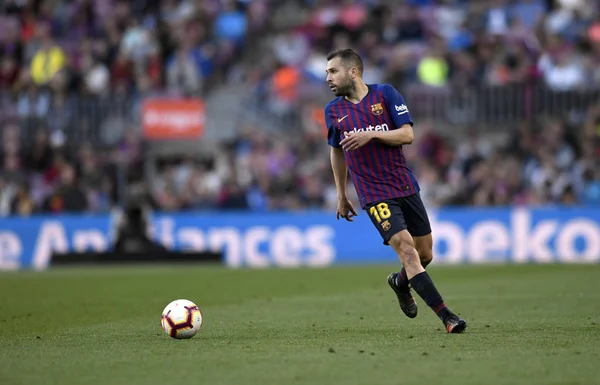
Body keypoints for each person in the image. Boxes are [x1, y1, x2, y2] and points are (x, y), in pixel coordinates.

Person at [324, 48, 467, 333]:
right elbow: (336, 152)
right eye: (327, 72)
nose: (328, 78)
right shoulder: (333, 111)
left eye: (333, 71)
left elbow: (408, 134)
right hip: (374, 193)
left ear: (353, 71)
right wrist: (342, 195)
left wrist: (372, 134)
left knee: (425, 255)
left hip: (404, 185)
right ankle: (447, 317)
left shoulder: (385, 94)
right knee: (407, 251)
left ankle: (400, 283)